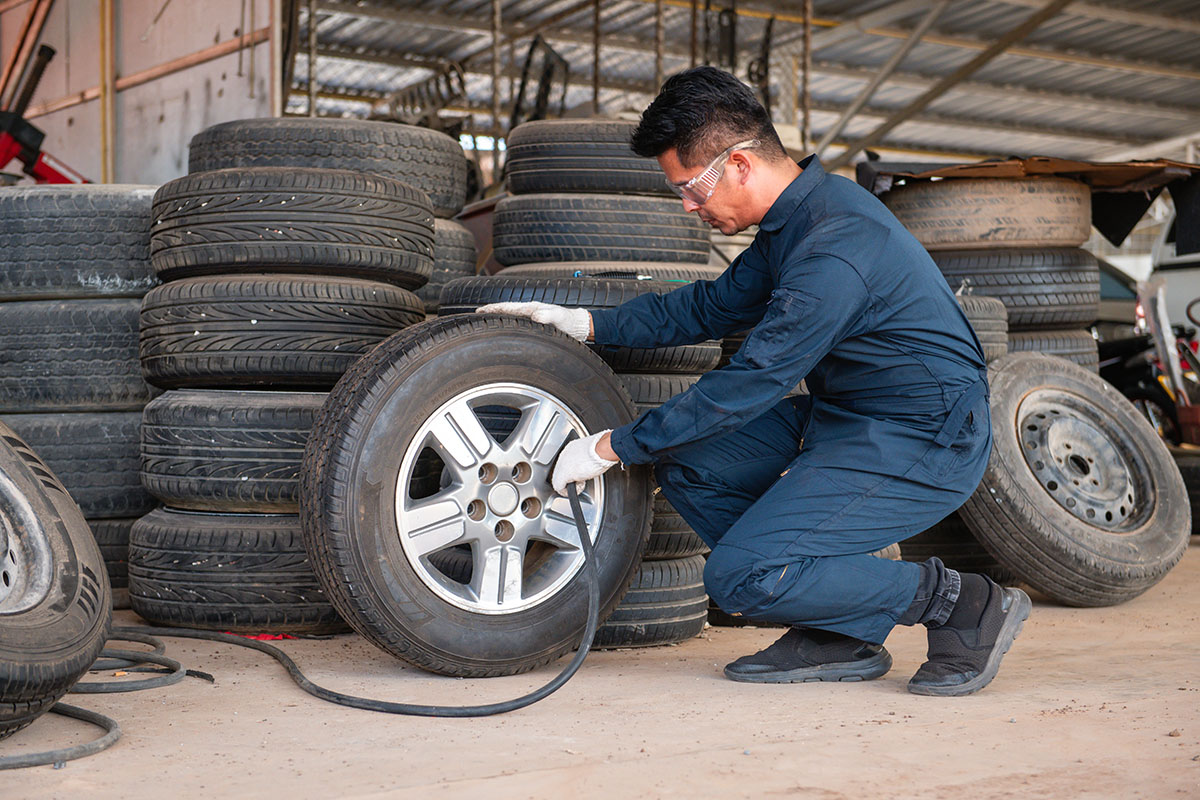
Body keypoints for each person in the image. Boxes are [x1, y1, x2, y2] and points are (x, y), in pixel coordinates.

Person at [477, 66, 1030, 696]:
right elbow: (708, 309)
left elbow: (750, 383)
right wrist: (587, 322)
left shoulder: (834, 248)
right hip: (847, 421)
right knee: (688, 461)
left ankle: (962, 602)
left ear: (739, 164)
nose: (688, 207)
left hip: (926, 438)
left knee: (739, 577)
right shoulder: (795, 222)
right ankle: (840, 627)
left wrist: (610, 446)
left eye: (690, 188)